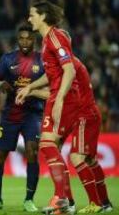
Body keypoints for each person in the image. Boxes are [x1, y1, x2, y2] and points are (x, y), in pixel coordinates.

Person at [16, 1, 92, 214]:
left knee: (48, 145)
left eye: (32, 15)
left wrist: (59, 99)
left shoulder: (55, 37)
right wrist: (30, 86)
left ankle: (63, 199)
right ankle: (66, 201)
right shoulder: (48, 39)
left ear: (43, 16)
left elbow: (69, 70)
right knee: (51, 147)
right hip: (59, 96)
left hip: (65, 98)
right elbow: (52, 75)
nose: (29, 19)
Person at [18, 57, 113, 213]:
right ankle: (102, 203)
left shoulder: (67, 65)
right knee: (87, 159)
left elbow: (57, 93)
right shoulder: (71, 65)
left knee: (72, 156)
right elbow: (55, 91)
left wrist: (31, 89)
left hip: (83, 114)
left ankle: (86, 202)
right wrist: (32, 90)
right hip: (81, 113)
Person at [0, 23, 44, 212]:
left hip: (32, 114)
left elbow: (50, 87)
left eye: (28, 38)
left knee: (32, 152)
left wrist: (32, 91)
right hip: (10, 115)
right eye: (21, 38)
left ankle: (29, 200)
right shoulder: (8, 59)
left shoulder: (42, 61)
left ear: (34, 40)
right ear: (17, 40)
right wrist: (0, 85)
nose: (25, 42)